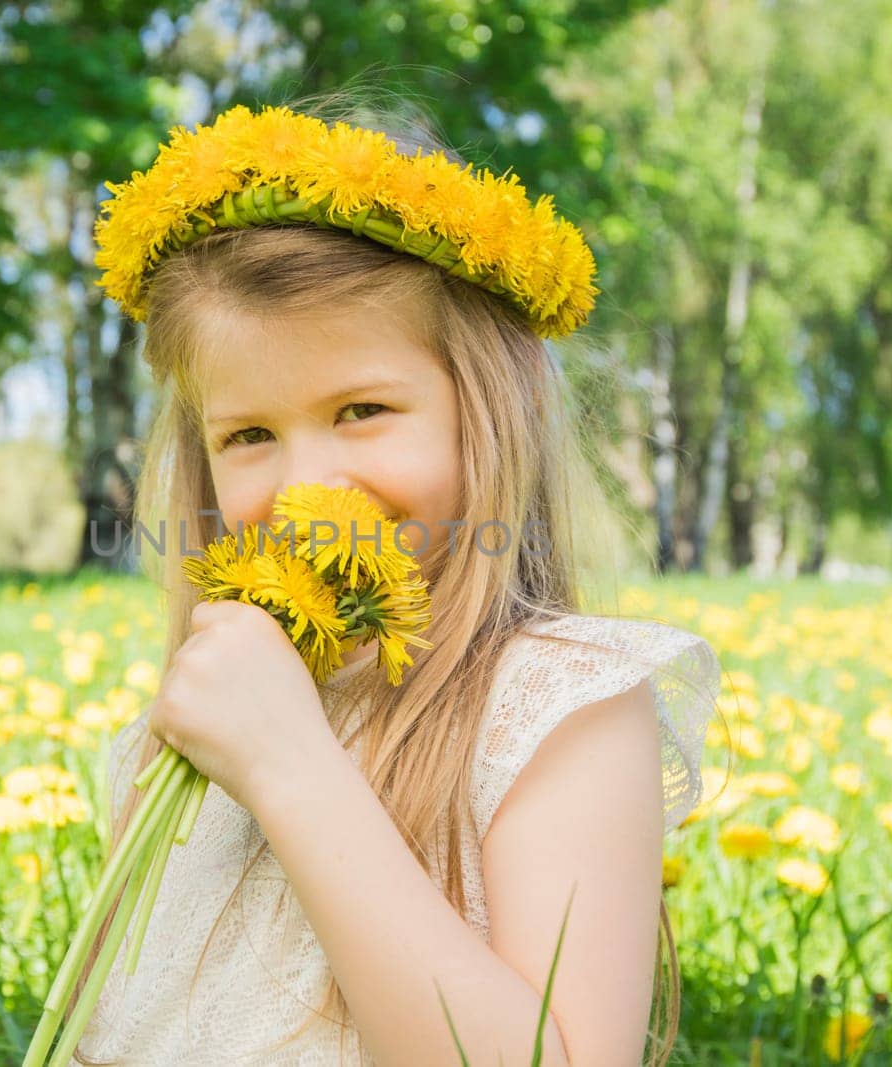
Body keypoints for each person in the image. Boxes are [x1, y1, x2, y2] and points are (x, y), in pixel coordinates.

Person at [70, 97, 723, 1066]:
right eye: (248, 434)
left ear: (484, 414)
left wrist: (290, 766)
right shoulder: (181, 738)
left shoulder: (557, 710)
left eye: (362, 408)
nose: (304, 488)